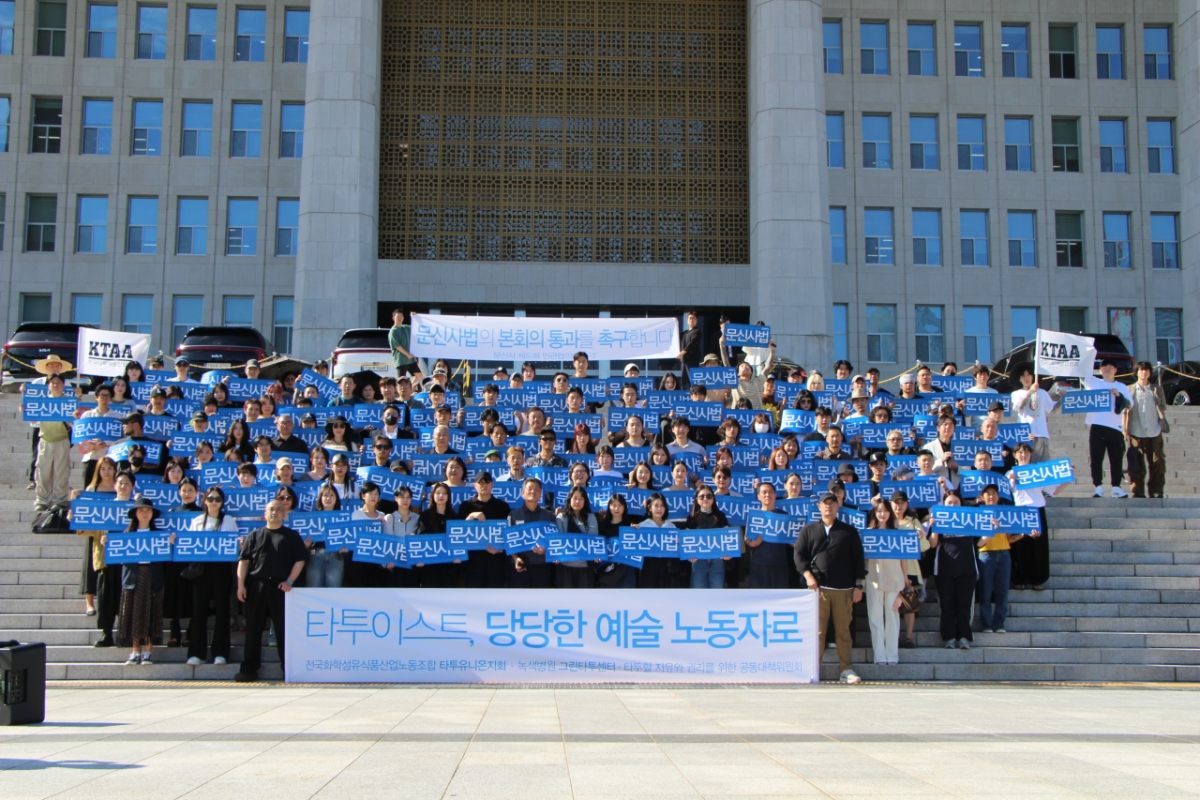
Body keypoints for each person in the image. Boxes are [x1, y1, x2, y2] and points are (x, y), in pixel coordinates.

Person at [794, 491, 865, 684]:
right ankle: (813, 670)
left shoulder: (849, 531)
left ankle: (846, 669)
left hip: (843, 590)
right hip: (819, 590)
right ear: (819, 506)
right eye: (825, 503)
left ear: (838, 506)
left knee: (843, 631)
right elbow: (799, 555)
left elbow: (858, 560)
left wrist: (859, 585)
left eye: (832, 503)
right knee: (818, 632)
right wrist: (808, 575)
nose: (829, 506)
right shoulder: (809, 530)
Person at [235, 500, 307, 682]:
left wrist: (290, 580)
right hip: (256, 586)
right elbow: (243, 562)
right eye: (271, 510)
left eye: (279, 510)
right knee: (253, 629)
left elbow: (300, 560)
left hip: (280, 587)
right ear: (264, 514)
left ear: (285, 514)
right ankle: (249, 669)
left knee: (284, 631)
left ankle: (288, 669)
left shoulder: (291, 536)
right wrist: (241, 585)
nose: (275, 512)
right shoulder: (254, 535)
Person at [116, 497, 175, 665]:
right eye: (141, 510)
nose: (144, 513)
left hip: (152, 575)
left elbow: (166, 556)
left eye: (147, 510)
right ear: (135, 513)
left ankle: (148, 651)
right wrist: (107, 543)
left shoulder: (159, 534)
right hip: (132, 576)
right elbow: (118, 555)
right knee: (133, 613)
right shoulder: (127, 535)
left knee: (151, 612)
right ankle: (135, 651)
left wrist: (170, 543)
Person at [185, 487, 240, 666]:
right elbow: (190, 544)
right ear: (205, 501)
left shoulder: (229, 520)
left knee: (222, 610)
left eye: (217, 499)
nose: (214, 501)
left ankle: (221, 652)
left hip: (222, 568)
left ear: (222, 502)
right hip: (201, 569)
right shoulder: (197, 521)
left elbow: (234, 544)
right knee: (198, 610)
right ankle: (196, 653)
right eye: (210, 498)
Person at [1007, 442, 1066, 591]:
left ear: (1031, 454)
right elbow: (1006, 491)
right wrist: (1013, 478)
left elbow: (1054, 490)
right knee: (1020, 545)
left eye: (1026, 452)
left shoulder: (1038, 472)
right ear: (1015, 455)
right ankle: (1019, 578)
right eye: (1020, 452)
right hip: (1020, 511)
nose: (1023, 454)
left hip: (1037, 509)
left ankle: (1037, 578)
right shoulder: (1010, 473)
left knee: (1038, 545)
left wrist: (1069, 478)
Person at [929, 492, 979, 649]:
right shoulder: (939, 520)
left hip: (967, 569)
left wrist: (991, 530)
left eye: (956, 502)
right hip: (943, 570)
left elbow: (979, 543)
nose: (952, 506)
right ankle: (949, 637)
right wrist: (934, 527)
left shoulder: (969, 520)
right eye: (949, 503)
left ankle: (964, 636)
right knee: (947, 605)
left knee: (964, 606)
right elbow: (932, 544)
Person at [1080, 358, 1133, 498]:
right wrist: (1087, 354)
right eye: (1104, 366)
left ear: (1116, 370)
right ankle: (1098, 486)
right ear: (1100, 370)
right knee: (1096, 458)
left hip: (1115, 427)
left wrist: (1119, 396)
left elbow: (1130, 405)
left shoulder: (1122, 386)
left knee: (1116, 459)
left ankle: (1116, 487)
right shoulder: (1095, 382)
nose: (1108, 368)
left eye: (1111, 366)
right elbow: (1082, 375)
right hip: (1097, 426)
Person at [863, 498, 905, 666]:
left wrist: (906, 580)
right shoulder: (867, 532)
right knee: (875, 617)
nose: (882, 514)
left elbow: (904, 559)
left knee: (892, 618)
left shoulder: (898, 532)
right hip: (874, 578)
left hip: (895, 578)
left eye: (885, 510)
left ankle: (892, 656)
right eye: (879, 511)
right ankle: (879, 656)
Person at [975, 483, 1020, 634]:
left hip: (1004, 553)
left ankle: (999, 623)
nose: (991, 496)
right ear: (982, 497)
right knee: (986, 590)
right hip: (986, 554)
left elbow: (1010, 538)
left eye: (994, 493)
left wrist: (1024, 534)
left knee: (1002, 591)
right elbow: (977, 540)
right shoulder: (978, 513)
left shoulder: (1004, 513)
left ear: (998, 496)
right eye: (988, 494)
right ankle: (987, 624)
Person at [459, 471, 512, 588]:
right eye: (480, 482)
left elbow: (509, 532)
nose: (484, 485)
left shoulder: (502, 506)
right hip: (473, 560)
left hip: (496, 560)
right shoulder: (466, 506)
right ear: (474, 485)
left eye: (487, 482)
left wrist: (501, 549)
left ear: (492, 484)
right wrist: (470, 516)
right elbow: (458, 534)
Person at [1125, 361, 1169, 498]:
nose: (1144, 373)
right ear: (1136, 372)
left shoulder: (1156, 389)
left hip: (1154, 431)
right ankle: (1137, 491)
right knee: (1136, 464)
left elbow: (1163, 407)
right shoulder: (1129, 389)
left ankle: (1156, 491)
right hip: (1135, 432)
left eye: (1146, 370)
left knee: (1157, 463)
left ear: (1150, 373)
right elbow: (1124, 411)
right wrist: (1124, 430)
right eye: (1141, 370)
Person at [33, 371, 73, 516]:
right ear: (48, 385)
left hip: (62, 440)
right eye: (53, 383)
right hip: (45, 440)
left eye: (59, 383)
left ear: (63, 385)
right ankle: (42, 501)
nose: (56, 385)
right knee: (43, 472)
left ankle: (60, 501)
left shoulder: (69, 402)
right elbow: (33, 421)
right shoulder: (42, 402)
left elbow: (74, 422)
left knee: (61, 472)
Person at [509, 477, 556, 588]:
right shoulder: (513, 515)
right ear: (523, 492)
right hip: (520, 564)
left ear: (541, 493)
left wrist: (546, 551)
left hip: (542, 565)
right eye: (529, 488)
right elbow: (509, 541)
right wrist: (516, 559)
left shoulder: (548, 516)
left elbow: (554, 541)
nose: (533, 492)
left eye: (536, 489)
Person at [414, 482, 460, 587]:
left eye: (444, 493)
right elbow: (421, 537)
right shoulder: (425, 516)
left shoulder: (454, 517)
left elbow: (459, 541)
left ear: (448, 496)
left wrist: (459, 556)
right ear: (433, 496)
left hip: (450, 566)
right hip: (430, 565)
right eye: (438, 493)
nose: (441, 496)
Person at [684, 486, 731, 588]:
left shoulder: (720, 516)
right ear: (697, 499)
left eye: (709, 496)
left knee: (717, 594)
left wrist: (728, 553)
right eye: (702, 496)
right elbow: (686, 541)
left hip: (717, 560)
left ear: (713, 498)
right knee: (698, 595)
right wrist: (689, 554)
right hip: (698, 561)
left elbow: (728, 538)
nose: (705, 499)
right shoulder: (691, 518)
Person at [1010, 363, 1058, 463]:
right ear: (1019, 379)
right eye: (1023, 376)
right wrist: (1030, 392)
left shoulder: (1042, 392)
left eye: (1029, 375)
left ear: (1033, 377)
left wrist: (1062, 398)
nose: (1026, 378)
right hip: (1024, 433)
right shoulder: (1016, 394)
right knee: (1025, 463)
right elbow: (1018, 407)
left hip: (1041, 433)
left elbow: (1052, 409)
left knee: (1043, 464)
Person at [554, 486, 601, 588]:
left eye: (581, 499)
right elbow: (559, 540)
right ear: (569, 499)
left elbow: (592, 539)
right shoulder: (562, 517)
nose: (577, 501)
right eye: (575, 498)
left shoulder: (591, 517)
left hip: (585, 566)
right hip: (565, 565)